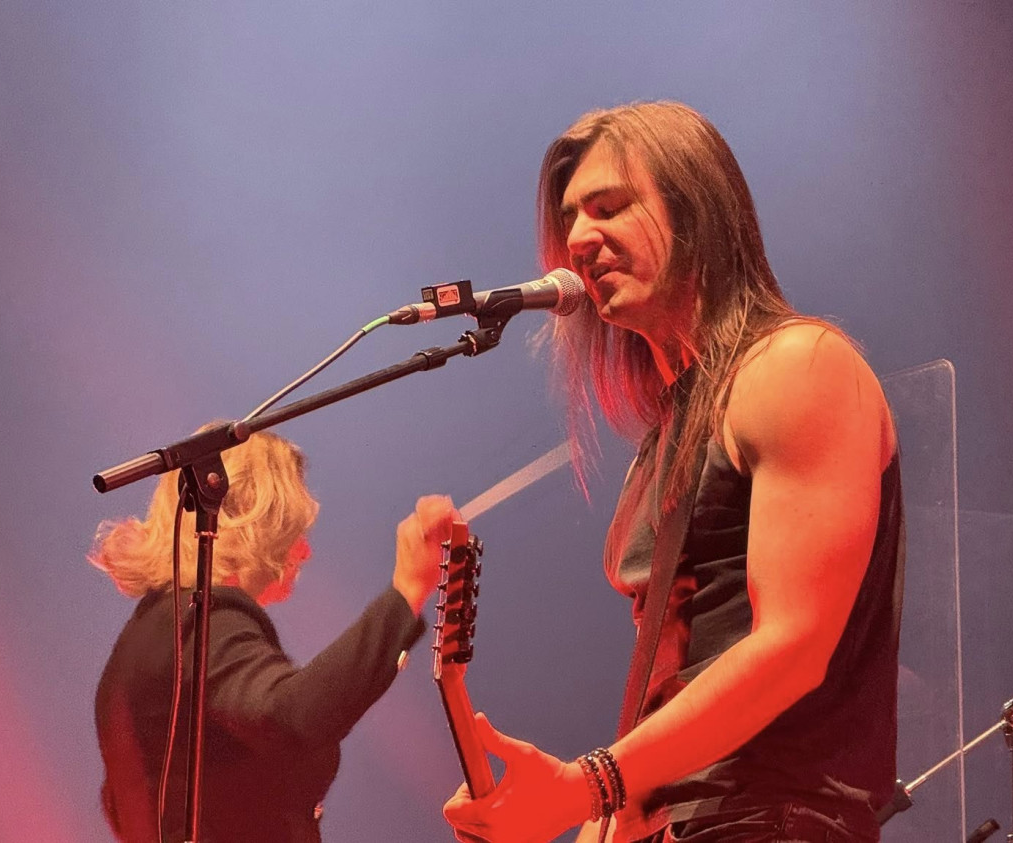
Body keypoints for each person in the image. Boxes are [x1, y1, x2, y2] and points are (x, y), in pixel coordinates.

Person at [443, 101, 903, 842]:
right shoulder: (669, 432)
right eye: (571, 218)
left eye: (609, 207)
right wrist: (582, 814)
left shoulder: (798, 366)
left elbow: (792, 648)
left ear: (694, 214)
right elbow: (674, 682)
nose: (578, 238)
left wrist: (587, 785)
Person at [91, 429, 458, 843]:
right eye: (293, 530)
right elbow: (292, 715)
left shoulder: (149, 635)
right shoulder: (201, 620)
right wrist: (407, 590)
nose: (305, 551)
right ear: (255, 523)